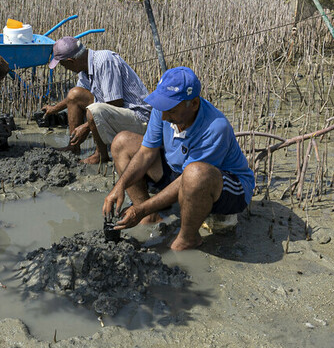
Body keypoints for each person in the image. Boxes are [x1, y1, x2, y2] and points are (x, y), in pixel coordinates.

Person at [102, 66, 254, 251]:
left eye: (171, 111)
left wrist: (141, 209)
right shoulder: (163, 110)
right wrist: (120, 186)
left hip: (227, 188)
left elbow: (189, 178)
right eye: (162, 108)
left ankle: (187, 238)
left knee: (194, 174)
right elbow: (145, 153)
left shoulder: (215, 127)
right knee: (122, 142)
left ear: (194, 104)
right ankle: (149, 216)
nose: (164, 116)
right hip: (181, 171)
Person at [42, 36, 151, 164]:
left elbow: (116, 103)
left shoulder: (104, 60)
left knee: (94, 110)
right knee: (74, 94)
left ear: (71, 61)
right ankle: (73, 146)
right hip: (119, 113)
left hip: (139, 118)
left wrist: (85, 127)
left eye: (63, 64)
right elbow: (73, 97)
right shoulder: (85, 68)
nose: (65, 68)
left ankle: (100, 155)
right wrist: (54, 109)